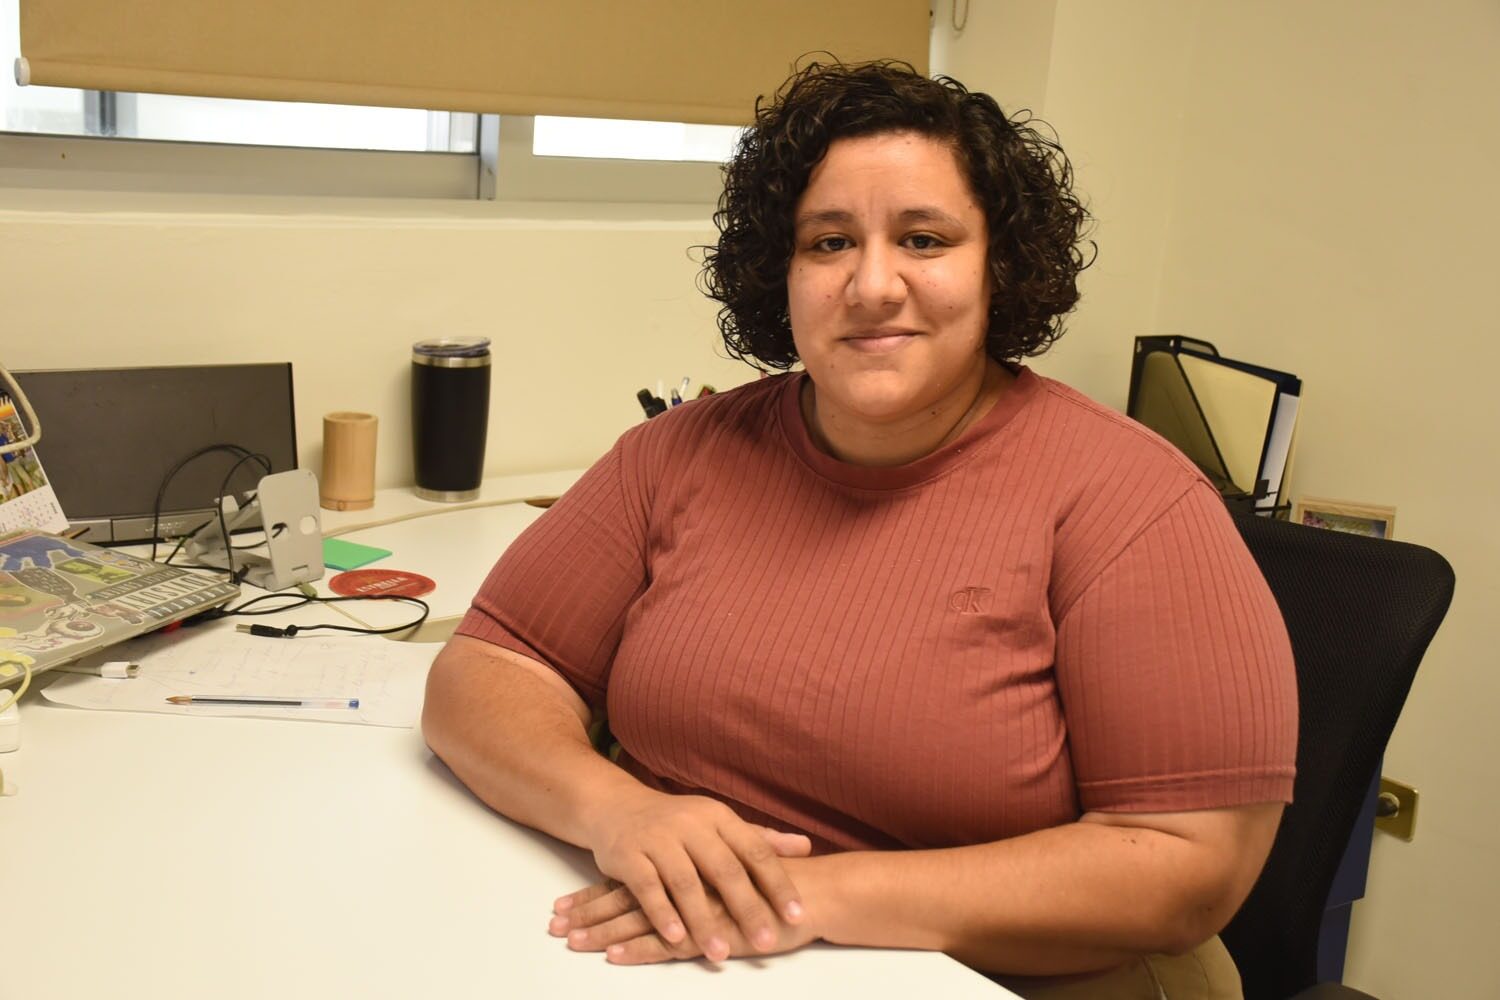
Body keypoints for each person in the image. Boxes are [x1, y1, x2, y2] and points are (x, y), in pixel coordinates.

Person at [422, 60, 1297, 999]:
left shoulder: (1133, 503)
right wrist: (619, 813)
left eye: (925, 239)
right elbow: (489, 670)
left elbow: (1187, 867)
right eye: (830, 242)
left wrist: (790, 897)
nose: (872, 285)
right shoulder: (679, 453)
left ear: (999, 266)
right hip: (692, 951)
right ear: (782, 272)